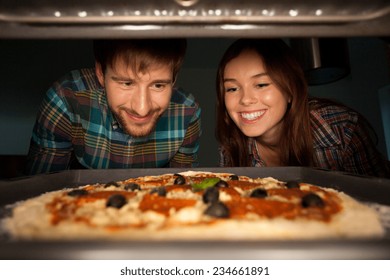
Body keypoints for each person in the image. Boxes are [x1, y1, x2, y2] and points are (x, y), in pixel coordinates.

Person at [216, 38, 390, 178]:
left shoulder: (340, 129)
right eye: (232, 88)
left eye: (261, 84)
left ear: (291, 90)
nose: (246, 99)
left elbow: (380, 202)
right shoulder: (231, 146)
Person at [25, 39, 201, 175]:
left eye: (158, 85)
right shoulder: (67, 99)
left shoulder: (188, 112)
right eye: (126, 83)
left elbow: (182, 191)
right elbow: (41, 192)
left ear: (174, 79)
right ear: (101, 73)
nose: (142, 109)